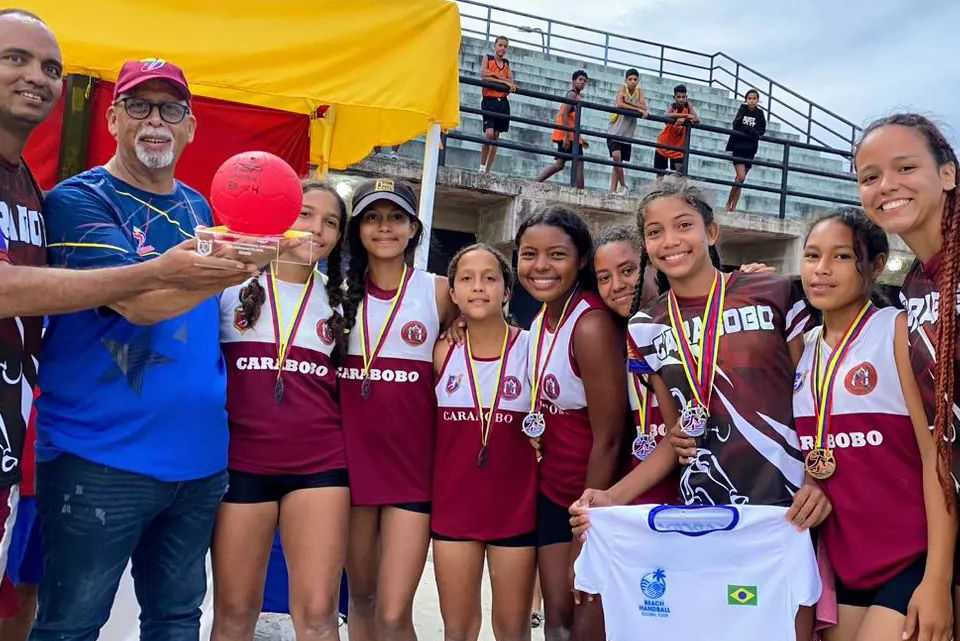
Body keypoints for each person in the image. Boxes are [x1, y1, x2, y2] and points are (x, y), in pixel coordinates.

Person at [31, 58, 261, 641]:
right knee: (71, 625)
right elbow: (135, 305)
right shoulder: (79, 199)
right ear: (113, 119)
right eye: (138, 105)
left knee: (177, 621)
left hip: (200, 462)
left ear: (191, 127)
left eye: (171, 109)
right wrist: (236, 269)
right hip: (98, 458)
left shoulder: (201, 209)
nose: (155, 120)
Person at [570, 179, 830, 641]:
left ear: (711, 232)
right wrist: (612, 497)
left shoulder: (772, 290)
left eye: (683, 225)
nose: (670, 240)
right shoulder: (646, 325)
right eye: (655, 232)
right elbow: (678, 439)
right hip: (703, 516)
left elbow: (811, 397)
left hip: (786, 509)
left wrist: (816, 478)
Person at [795, 209, 955, 641]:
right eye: (812, 255)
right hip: (846, 563)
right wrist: (812, 482)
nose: (821, 269)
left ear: (877, 265)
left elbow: (937, 456)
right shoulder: (803, 349)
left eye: (842, 257)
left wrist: (938, 579)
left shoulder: (898, 331)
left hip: (913, 557)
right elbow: (816, 446)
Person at [211, 181, 350, 641]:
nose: (317, 229)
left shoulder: (342, 302)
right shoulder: (229, 287)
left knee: (318, 614)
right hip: (241, 464)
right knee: (234, 612)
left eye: (331, 222)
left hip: (319, 466)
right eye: (306, 214)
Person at [853, 113, 960, 638]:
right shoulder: (915, 288)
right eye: (870, 176)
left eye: (905, 168)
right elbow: (935, 447)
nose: (886, 185)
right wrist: (936, 577)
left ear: (948, 174)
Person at [338, 178, 458, 641]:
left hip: (412, 470)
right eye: (372, 218)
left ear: (414, 229)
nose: (384, 227)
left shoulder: (440, 292)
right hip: (352, 468)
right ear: (357, 230)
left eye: (395, 218)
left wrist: (461, 329)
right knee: (361, 599)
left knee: (393, 613)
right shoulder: (335, 292)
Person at [515, 206, 624, 641]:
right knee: (557, 620)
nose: (540, 266)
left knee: (584, 626)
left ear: (581, 260)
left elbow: (610, 437)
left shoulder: (590, 324)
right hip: (552, 492)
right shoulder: (541, 318)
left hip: (589, 500)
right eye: (529, 254)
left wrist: (588, 528)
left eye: (556, 255)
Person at [432, 243, 536, 641]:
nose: (478, 287)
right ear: (453, 293)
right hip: (455, 508)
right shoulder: (441, 351)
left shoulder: (531, 348)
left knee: (512, 630)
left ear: (507, 291)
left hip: (516, 510)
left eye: (490, 278)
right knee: (458, 630)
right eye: (467, 279)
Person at [593, 227, 677, 505]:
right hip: (640, 502)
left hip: (688, 497)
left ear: (652, 266)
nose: (616, 285)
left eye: (628, 271)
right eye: (604, 278)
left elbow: (678, 433)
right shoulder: (615, 339)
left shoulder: (680, 325)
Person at [536, 70, 588, 189]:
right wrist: (565, 136)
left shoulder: (576, 96)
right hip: (568, 136)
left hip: (571, 135)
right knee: (579, 162)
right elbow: (564, 114)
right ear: (573, 81)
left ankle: (536, 182)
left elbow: (571, 119)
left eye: (585, 81)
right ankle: (580, 192)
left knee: (560, 164)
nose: (582, 83)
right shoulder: (572, 95)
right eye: (580, 80)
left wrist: (580, 137)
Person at [724, 89, 766, 212]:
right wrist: (749, 130)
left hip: (750, 149)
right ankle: (728, 202)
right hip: (738, 147)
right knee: (741, 177)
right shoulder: (743, 109)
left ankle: (733, 206)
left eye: (754, 98)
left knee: (740, 180)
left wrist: (750, 130)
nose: (752, 101)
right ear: (746, 100)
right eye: (749, 98)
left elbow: (761, 130)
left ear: (757, 100)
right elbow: (736, 124)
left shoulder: (760, 113)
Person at [606, 69, 647, 194]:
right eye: (630, 79)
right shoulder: (622, 88)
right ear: (626, 80)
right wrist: (636, 108)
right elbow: (619, 104)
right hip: (615, 130)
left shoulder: (639, 92)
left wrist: (628, 103)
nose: (632, 81)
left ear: (638, 81)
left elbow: (645, 107)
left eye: (635, 79)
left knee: (617, 162)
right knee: (616, 157)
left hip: (627, 132)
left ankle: (613, 190)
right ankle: (624, 185)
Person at [479, 36, 516, 174]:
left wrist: (499, 79)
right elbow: (484, 75)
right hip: (489, 100)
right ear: (495, 46)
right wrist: (502, 80)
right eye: (500, 45)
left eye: (505, 46)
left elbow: (510, 82)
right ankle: (482, 166)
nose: (502, 48)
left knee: (495, 136)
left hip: (502, 102)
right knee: (488, 134)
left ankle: (488, 170)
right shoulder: (488, 58)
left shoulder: (506, 63)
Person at [653, 84, 699, 178]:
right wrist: (685, 116)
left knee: (679, 174)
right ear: (674, 97)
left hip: (678, 147)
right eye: (678, 97)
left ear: (686, 97)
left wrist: (685, 119)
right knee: (660, 174)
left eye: (683, 97)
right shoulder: (673, 107)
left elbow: (697, 119)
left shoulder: (688, 107)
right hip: (664, 144)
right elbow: (666, 115)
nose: (681, 99)